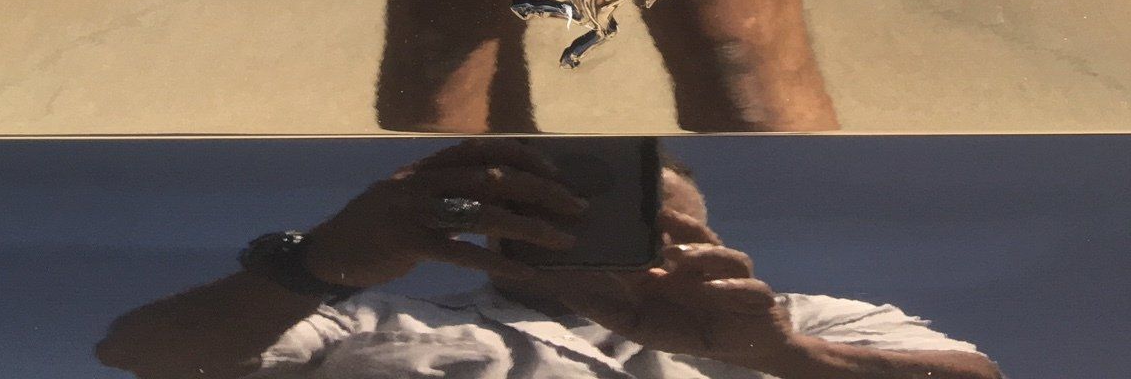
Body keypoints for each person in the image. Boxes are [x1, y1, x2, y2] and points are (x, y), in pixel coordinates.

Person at [96, 140, 1001, 379]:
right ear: (490, 228)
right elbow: (146, 355)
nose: (610, 245)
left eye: (659, 227)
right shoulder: (365, 316)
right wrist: (319, 262)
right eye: (547, 216)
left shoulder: (801, 320)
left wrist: (783, 356)